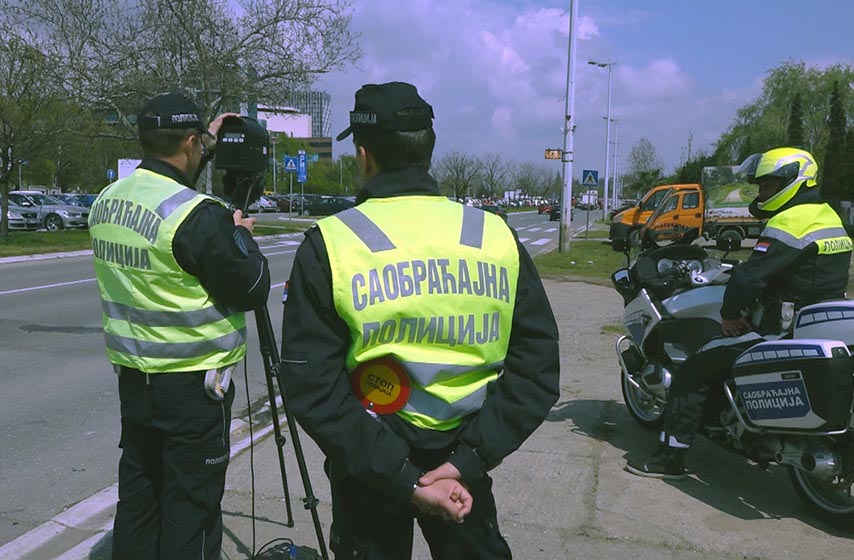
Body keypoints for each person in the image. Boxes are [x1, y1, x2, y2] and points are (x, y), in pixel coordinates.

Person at [279, 81, 560, 559]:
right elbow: (538, 370)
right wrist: (464, 463)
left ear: (363, 155)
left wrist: (403, 479)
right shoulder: (493, 234)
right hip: (461, 466)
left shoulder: (331, 242)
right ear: (429, 150)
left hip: (369, 467)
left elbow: (312, 387)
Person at [88, 92, 271, 559]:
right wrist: (242, 238)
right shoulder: (198, 216)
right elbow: (252, 288)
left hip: (136, 383)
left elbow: (171, 174)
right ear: (191, 142)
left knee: (140, 501)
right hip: (194, 391)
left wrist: (205, 139)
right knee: (191, 511)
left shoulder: (106, 202)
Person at [626, 147, 852, 479]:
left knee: (695, 369)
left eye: (768, 186)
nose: (762, 193)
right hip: (814, 326)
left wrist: (731, 313)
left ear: (795, 182)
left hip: (777, 329)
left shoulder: (790, 221)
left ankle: (669, 458)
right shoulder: (830, 217)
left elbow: (749, 279)